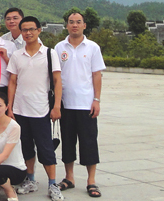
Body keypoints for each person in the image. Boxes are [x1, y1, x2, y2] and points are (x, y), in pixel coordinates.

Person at [7, 16, 63, 201]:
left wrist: (56, 106)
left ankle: (53, 184)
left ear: (39, 30)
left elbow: (57, 81)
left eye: (31, 29)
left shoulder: (49, 53)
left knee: (46, 149)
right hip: (20, 110)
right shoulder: (17, 55)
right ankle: (30, 180)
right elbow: (12, 82)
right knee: (26, 148)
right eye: (24, 30)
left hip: (41, 110)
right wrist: (10, 107)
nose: (28, 33)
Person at [55, 11, 105, 198]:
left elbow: (96, 75)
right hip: (66, 104)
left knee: (89, 142)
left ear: (84, 25)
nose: (74, 25)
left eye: (78, 22)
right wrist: (56, 104)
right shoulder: (59, 47)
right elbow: (55, 76)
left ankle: (91, 180)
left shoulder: (92, 47)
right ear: (66, 25)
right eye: (71, 22)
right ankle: (69, 177)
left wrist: (96, 100)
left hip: (86, 104)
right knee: (67, 142)